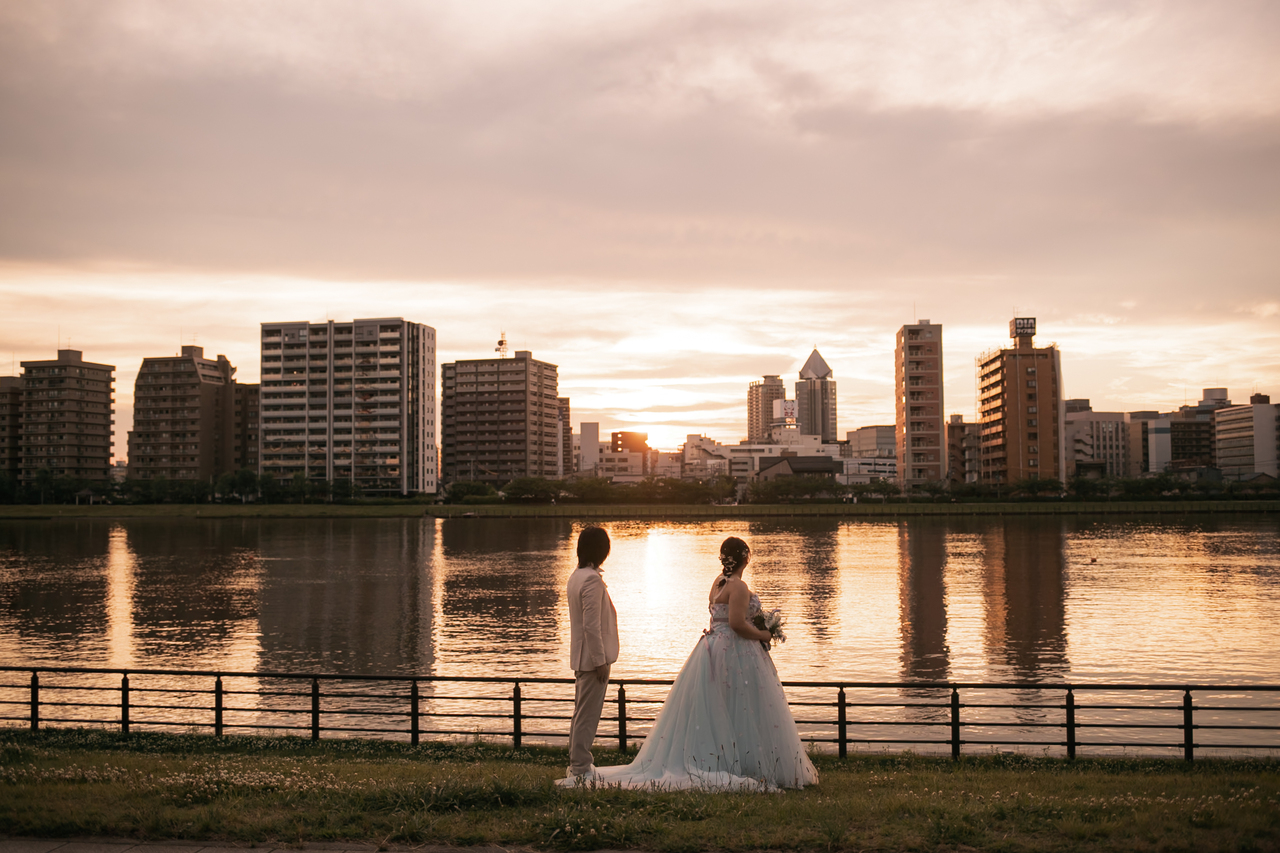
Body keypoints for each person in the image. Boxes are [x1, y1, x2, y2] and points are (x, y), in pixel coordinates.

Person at [579, 536, 818, 791]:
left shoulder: (718, 582)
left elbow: (719, 616)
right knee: (744, 705)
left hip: (713, 648)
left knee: (722, 707)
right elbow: (737, 624)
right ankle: (746, 764)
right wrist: (764, 634)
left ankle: (728, 758)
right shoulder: (738, 586)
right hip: (734, 652)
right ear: (745, 557)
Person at [562, 526, 619, 782]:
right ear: (602, 550)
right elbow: (591, 625)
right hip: (591, 660)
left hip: (580, 656)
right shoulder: (592, 580)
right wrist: (600, 662)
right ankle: (581, 768)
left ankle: (578, 764)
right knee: (588, 716)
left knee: (580, 713)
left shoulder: (576, 576)